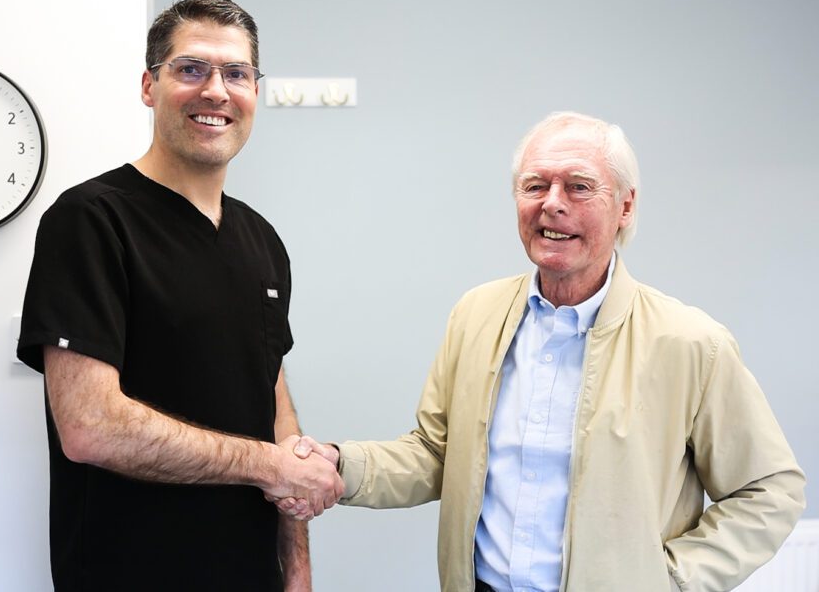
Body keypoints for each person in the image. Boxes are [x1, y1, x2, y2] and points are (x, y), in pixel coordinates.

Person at [282, 112, 806, 591]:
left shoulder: (692, 343)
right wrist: (338, 463)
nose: (553, 203)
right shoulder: (476, 314)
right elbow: (437, 455)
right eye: (536, 185)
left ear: (626, 205)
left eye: (579, 187)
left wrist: (668, 580)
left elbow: (770, 490)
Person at [16, 0, 341, 592]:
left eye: (236, 74)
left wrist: (296, 568)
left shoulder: (261, 239)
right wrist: (270, 466)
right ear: (149, 85)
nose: (216, 91)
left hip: (250, 575)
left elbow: (274, 404)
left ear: (254, 93)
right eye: (191, 69)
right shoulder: (90, 221)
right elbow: (89, 426)